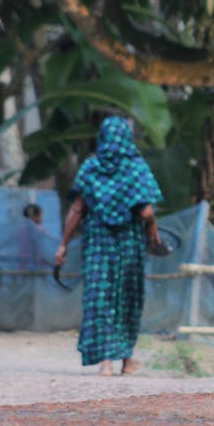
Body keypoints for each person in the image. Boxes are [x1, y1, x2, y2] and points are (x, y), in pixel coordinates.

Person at [55, 116, 163, 376]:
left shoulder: (91, 168)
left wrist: (63, 245)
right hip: (128, 246)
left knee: (100, 298)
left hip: (98, 246)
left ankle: (105, 363)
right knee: (128, 298)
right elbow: (146, 211)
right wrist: (153, 232)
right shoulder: (136, 168)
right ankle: (126, 361)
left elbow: (77, 209)